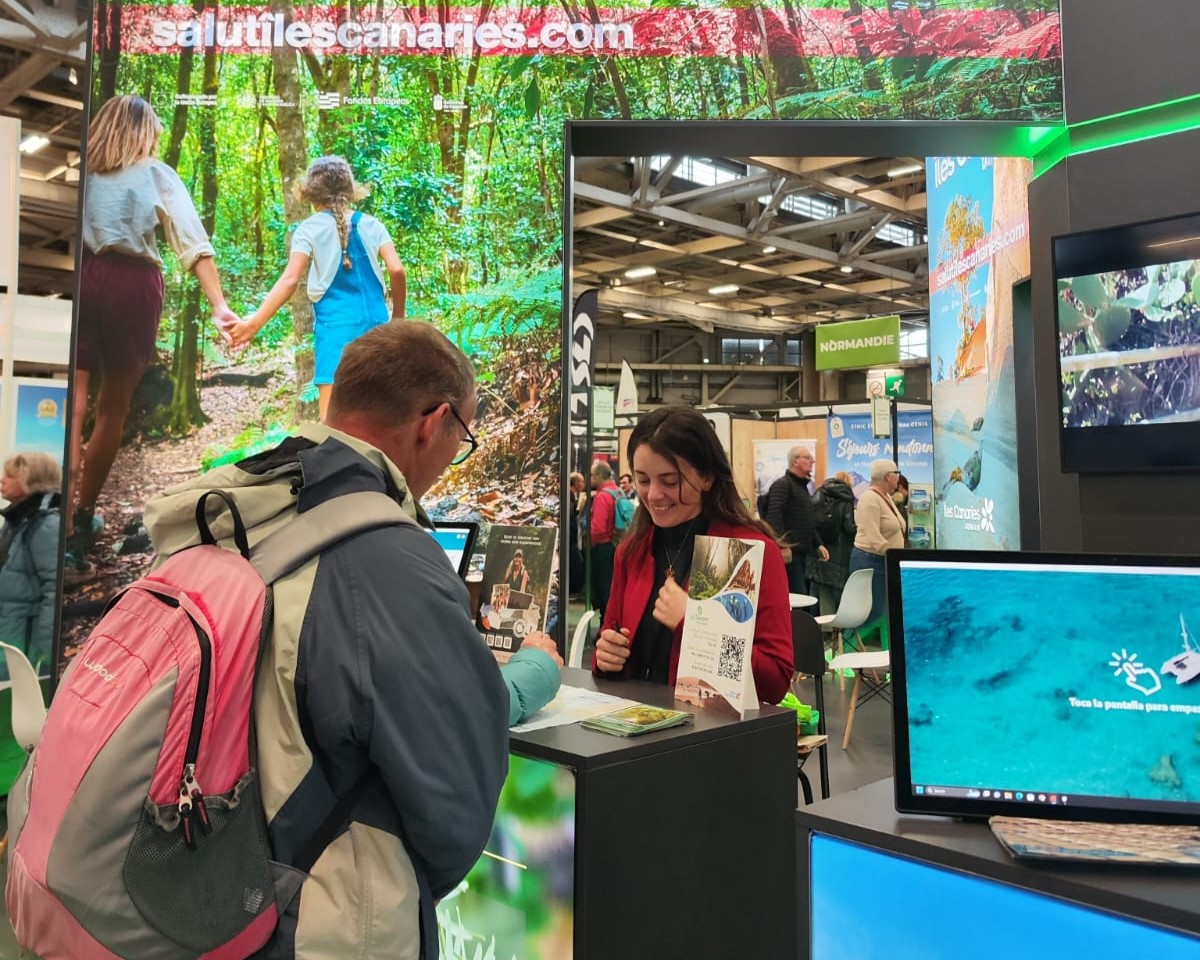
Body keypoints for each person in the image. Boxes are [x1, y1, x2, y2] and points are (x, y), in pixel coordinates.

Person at [143, 321, 561, 960]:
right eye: (463, 437)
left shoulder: (225, 512)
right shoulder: (385, 559)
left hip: (197, 882)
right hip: (323, 918)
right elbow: (455, 792)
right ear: (434, 422)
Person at [68, 94, 239, 580]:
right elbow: (193, 242)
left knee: (73, 404)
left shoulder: (82, 173)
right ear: (145, 132)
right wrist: (219, 305)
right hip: (133, 286)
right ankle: (80, 528)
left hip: (81, 277)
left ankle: (56, 516)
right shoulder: (156, 173)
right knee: (112, 409)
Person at [592, 406, 793, 704]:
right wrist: (606, 657)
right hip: (634, 724)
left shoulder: (746, 552)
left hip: (709, 730)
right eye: (643, 480)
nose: (654, 494)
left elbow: (774, 682)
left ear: (707, 477)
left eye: (670, 481)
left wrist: (695, 622)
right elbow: (612, 645)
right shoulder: (633, 551)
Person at [229, 155, 407, 420]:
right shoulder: (372, 224)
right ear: (350, 189)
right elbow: (397, 270)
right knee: (381, 414)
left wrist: (252, 325)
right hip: (377, 327)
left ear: (310, 193)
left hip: (335, 331)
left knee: (331, 422)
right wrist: (398, 318)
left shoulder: (308, 229)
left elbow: (290, 280)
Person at [0, 453, 62, 679]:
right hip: (11, 634)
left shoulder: (46, 524)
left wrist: (45, 654)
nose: (2, 480)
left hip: (24, 644)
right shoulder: (19, 519)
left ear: (32, 480)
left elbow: (54, 590)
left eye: (10, 476)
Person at [849, 458, 907, 645]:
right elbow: (874, 538)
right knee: (869, 612)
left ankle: (882, 651)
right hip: (871, 561)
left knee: (882, 612)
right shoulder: (870, 499)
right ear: (888, 476)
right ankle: (846, 649)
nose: (898, 477)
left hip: (883, 561)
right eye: (896, 474)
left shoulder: (885, 497)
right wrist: (897, 558)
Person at [763, 445, 829, 595]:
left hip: (802, 554)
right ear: (795, 461)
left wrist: (818, 544)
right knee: (799, 597)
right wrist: (783, 546)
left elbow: (807, 520)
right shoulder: (783, 485)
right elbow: (773, 518)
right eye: (808, 458)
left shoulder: (802, 488)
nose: (812, 461)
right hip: (790, 555)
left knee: (802, 597)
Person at [806, 470, 857, 618]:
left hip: (818, 547)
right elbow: (849, 527)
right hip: (838, 551)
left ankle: (815, 625)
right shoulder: (846, 498)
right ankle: (835, 627)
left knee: (817, 590)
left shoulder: (818, 493)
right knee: (837, 594)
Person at [589, 460, 620, 617]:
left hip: (603, 549)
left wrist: (590, 544)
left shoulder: (602, 497)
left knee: (604, 590)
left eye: (592, 475)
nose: (590, 478)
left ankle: (605, 625)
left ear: (599, 476)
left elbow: (598, 529)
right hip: (616, 545)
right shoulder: (618, 492)